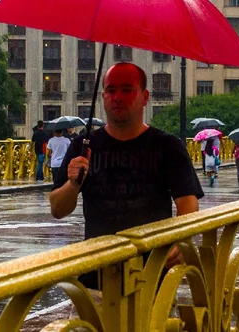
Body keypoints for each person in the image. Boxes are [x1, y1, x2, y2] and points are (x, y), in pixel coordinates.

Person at [49, 63, 203, 290]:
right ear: (103, 97)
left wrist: (181, 240)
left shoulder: (168, 146)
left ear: (145, 97)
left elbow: (187, 203)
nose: (118, 97)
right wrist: (73, 185)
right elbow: (57, 209)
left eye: (127, 89)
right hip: (95, 277)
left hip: (151, 276)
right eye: (111, 90)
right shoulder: (83, 147)